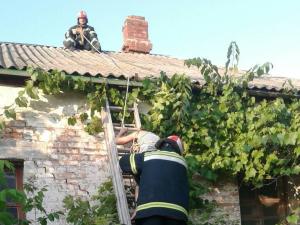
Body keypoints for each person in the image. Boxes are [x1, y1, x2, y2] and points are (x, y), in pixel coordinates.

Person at [119, 135, 189, 225]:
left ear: (161, 144)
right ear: (179, 150)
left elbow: (123, 162)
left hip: (149, 212)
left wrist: (140, 174)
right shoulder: (183, 163)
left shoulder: (149, 156)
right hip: (178, 215)